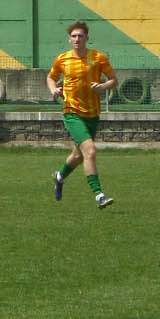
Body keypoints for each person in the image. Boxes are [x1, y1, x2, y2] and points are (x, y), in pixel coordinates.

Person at [48, 20, 118, 209]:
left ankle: (60, 176)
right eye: (74, 36)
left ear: (87, 38)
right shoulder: (62, 59)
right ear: (69, 39)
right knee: (91, 151)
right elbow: (51, 77)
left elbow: (113, 80)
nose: (77, 39)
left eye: (80, 35)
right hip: (72, 111)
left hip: (92, 113)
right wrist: (54, 89)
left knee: (79, 155)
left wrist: (103, 86)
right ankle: (99, 195)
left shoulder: (98, 58)